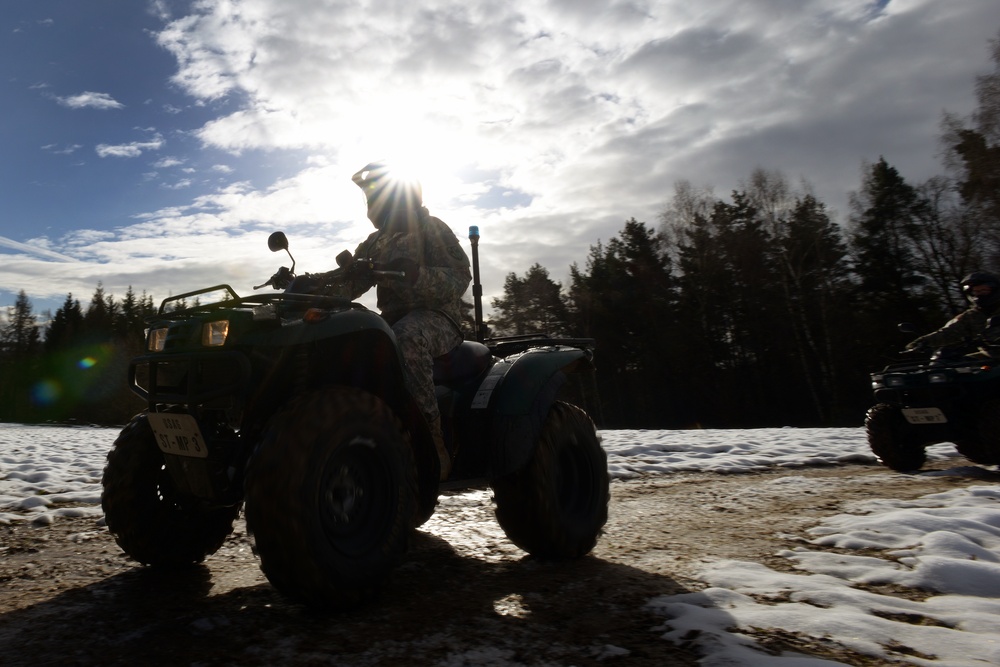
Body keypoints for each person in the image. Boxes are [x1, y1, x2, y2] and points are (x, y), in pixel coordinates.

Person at [343, 162, 471, 480]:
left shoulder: (431, 228)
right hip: (393, 319)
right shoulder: (375, 241)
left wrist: (417, 274)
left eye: (375, 194)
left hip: (438, 318)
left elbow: (459, 277)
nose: (371, 203)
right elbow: (346, 284)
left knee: (406, 338)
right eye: (369, 196)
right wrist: (308, 282)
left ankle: (431, 446)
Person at [905, 271, 1000, 353]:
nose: (980, 294)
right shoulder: (971, 315)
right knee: (948, 365)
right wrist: (921, 342)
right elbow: (949, 332)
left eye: (984, 290)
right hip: (990, 356)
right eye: (976, 291)